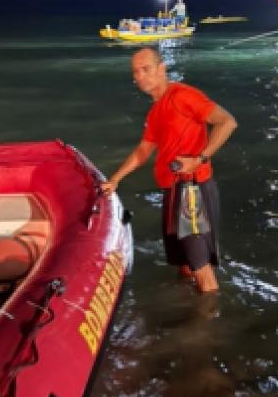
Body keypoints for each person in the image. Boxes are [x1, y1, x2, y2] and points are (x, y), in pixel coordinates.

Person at [101, 47, 237, 293]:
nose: (140, 76)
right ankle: (185, 308)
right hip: (173, 191)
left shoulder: (183, 96)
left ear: (162, 68)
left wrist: (200, 158)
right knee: (184, 265)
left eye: (146, 69)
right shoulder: (155, 112)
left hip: (192, 190)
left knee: (201, 268)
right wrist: (116, 179)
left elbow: (227, 122)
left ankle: (208, 326)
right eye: (136, 72)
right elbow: (143, 150)